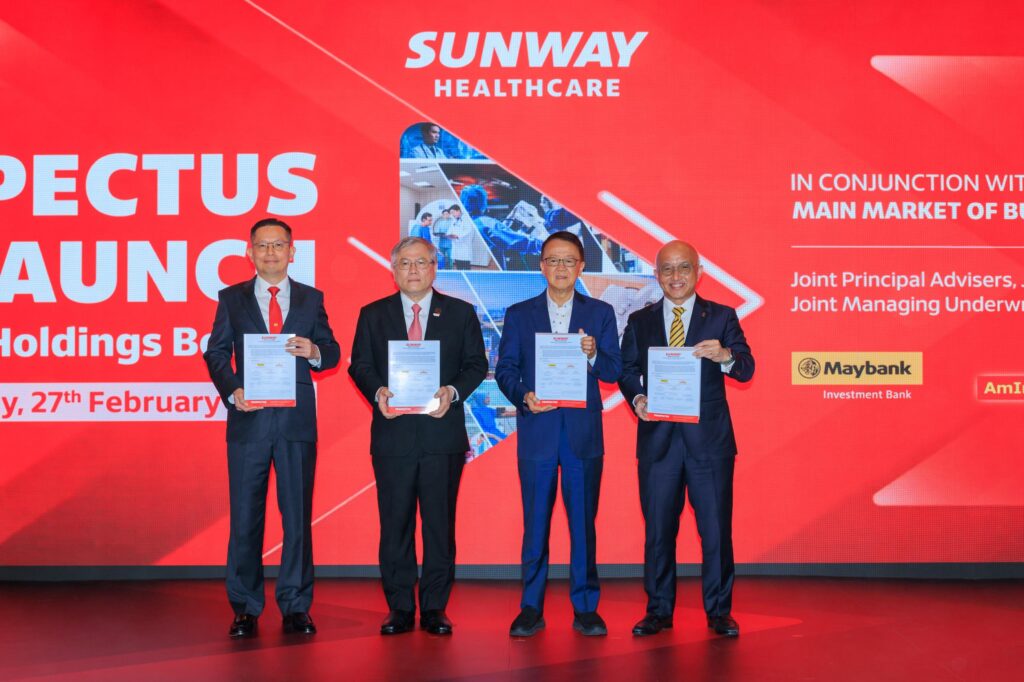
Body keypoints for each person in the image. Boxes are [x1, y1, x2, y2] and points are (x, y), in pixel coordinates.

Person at [204, 218, 341, 639]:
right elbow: (216, 353)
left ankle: (296, 605)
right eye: (262, 246)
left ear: (291, 252)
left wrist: (315, 350)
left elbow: (332, 351)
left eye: (278, 245)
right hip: (249, 420)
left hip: (296, 424)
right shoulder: (231, 298)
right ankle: (245, 607)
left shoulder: (311, 298)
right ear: (250, 252)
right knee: (245, 518)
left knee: (296, 518)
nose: (270, 253)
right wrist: (233, 390)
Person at [349, 236, 487, 636]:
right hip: (393, 436)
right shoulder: (373, 314)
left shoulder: (460, 312)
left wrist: (452, 391)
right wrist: (378, 391)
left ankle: (434, 608)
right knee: (395, 525)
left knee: (439, 525)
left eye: (421, 262)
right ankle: (399, 607)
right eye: (405, 263)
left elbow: (476, 364)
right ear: (393, 270)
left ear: (434, 268)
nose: (413, 270)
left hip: (442, 436)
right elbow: (360, 364)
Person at [617, 240, 754, 638]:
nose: (675, 276)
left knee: (715, 531)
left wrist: (725, 356)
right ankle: (658, 610)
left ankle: (719, 611)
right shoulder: (640, 320)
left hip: (709, 444)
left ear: (698, 272)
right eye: (667, 269)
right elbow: (626, 371)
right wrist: (638, 398)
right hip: (658, 442)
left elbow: (746, 368)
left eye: (684, 268)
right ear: (656, 274)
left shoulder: (722, 317)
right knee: (659, 532)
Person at [495, 231, 621, 638]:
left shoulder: (600, 312)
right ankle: (531, 607)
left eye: (569, 260)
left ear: (581, 266)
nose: (561, 267)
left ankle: (585, 607)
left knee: (583, 524)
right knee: (535, 524)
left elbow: (613, 371)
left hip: (583, 435)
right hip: (538, 431)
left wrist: (593, 354)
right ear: (541, 266)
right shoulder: (520, 314)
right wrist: (524, 396)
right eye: (553, 260)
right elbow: (505, 369)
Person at [446, 204, 474, 270]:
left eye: (453, 212)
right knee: (458, 266)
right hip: (456, 247)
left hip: (464, 246)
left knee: (466, 266)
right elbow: (450, 230)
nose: (452, 215)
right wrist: (448, 235)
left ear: (458, 210)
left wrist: (458, 236)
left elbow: (468, 230)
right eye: (451, 213)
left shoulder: (467, 219)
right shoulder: (454, 220)